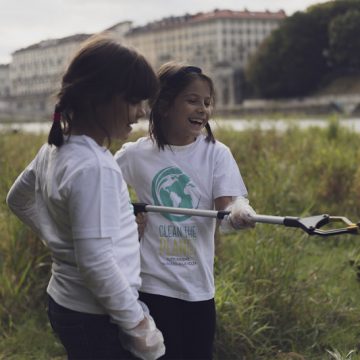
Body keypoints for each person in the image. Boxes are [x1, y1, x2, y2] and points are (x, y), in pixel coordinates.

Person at [6, 34, 165, 360]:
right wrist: (138, 324)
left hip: (65, 304)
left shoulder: (55, 147)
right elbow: (95, 263)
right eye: (134, 101)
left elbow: (17, 199)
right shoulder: (95, 167)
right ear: (102, 97)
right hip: (96, 315)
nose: (140, 113)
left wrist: (62, 240)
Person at [115, 61, 256, 359]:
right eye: (192, 101)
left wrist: (240, 213)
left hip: (199, 288)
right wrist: (126, 217)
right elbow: (102, 193)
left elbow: (227, 210)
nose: (203, 109)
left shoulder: (217, 154)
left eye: (207, 102)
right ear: (164, 105)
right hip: (151, 286)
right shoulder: (136, 154)